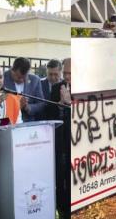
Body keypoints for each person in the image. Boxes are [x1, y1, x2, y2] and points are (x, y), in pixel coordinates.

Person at [48, 58, 71, 219]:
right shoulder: (57, 87)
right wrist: (60, 103)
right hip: (60, 142)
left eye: (71, 73)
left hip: (77, 142)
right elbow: (49, 113)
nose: (68, 76)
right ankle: (62, 210)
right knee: (60, 176)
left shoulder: (85, 87)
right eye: (66, 73)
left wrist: (70, 102)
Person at [3, 57, 45, 122]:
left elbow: (41, 104)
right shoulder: (2, 78)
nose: (21, 80)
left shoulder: (35, 80)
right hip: (7, 121)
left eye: (24, 77)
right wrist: (17, 105)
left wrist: (28, 107)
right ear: (12, 70)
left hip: (28, 122)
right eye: (18, 77)